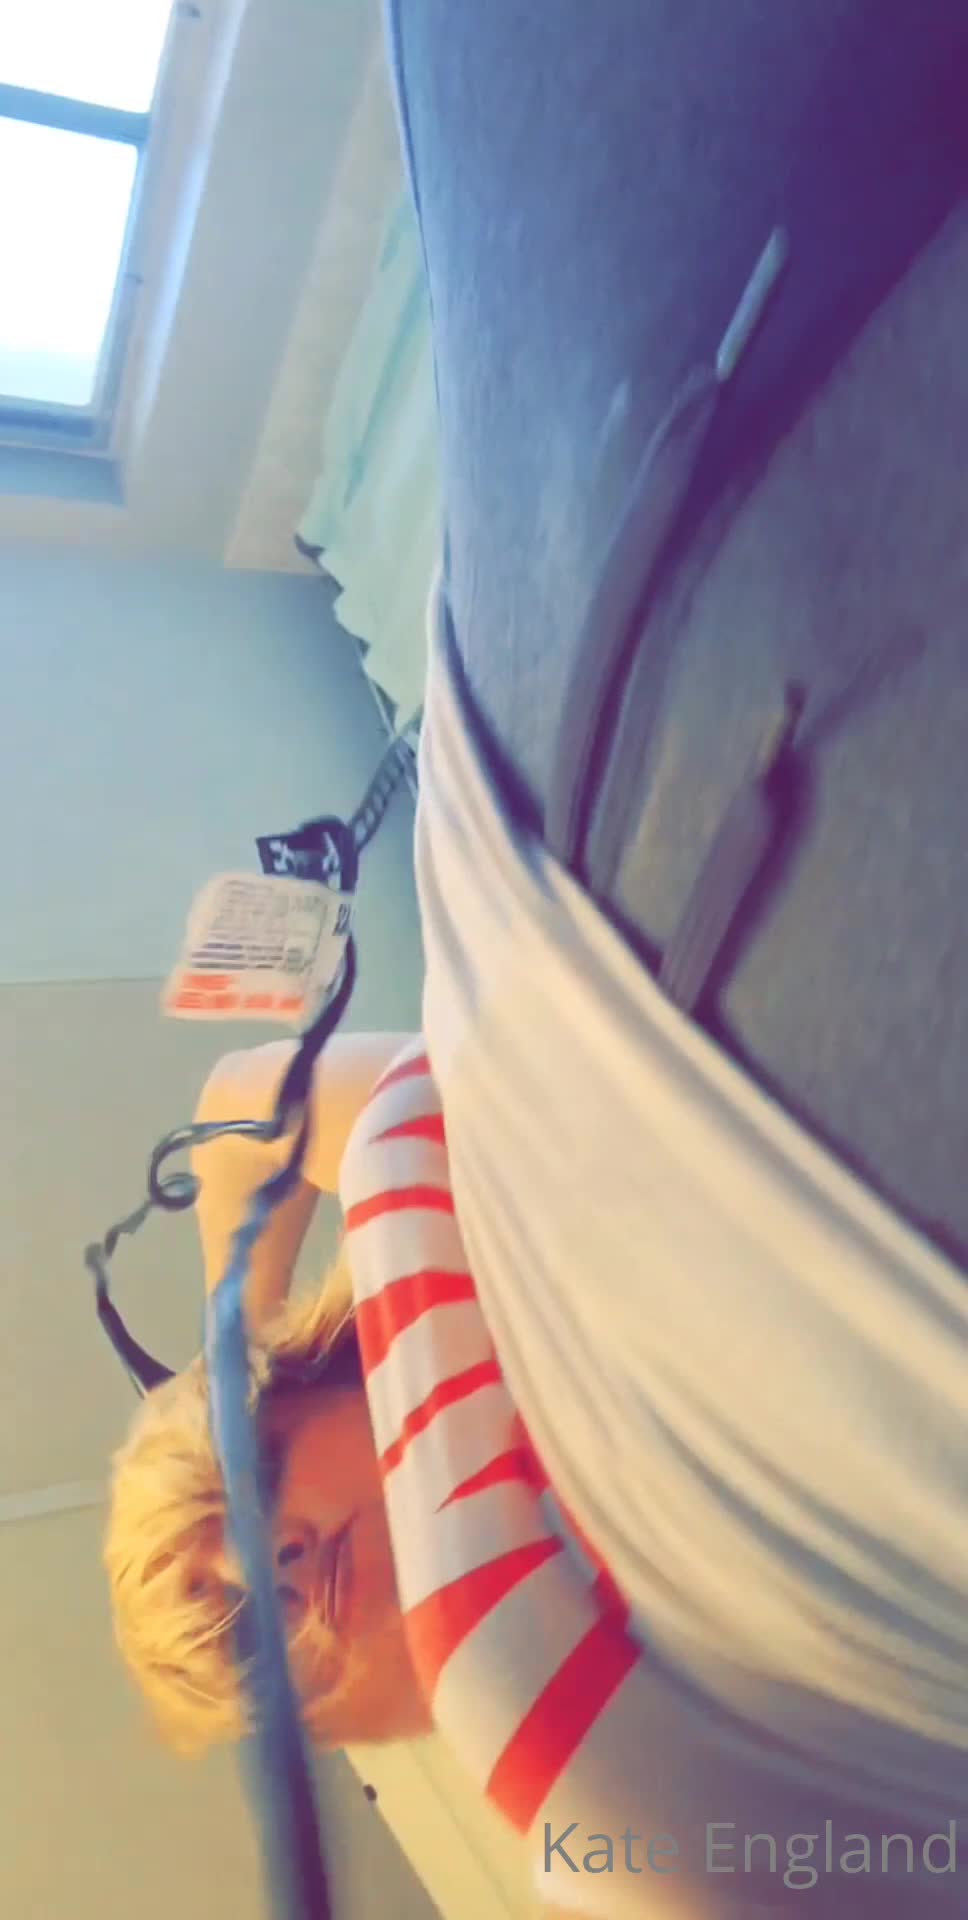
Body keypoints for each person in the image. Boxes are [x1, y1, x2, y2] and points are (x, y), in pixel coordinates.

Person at [108, 1, 968, 1913]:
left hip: (559, 692)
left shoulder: (433, 1243)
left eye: (274, 1541)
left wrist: (243, 1317)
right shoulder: (561, 1753)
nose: (298, 1589)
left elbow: (296, 1098)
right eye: (275, 1646)